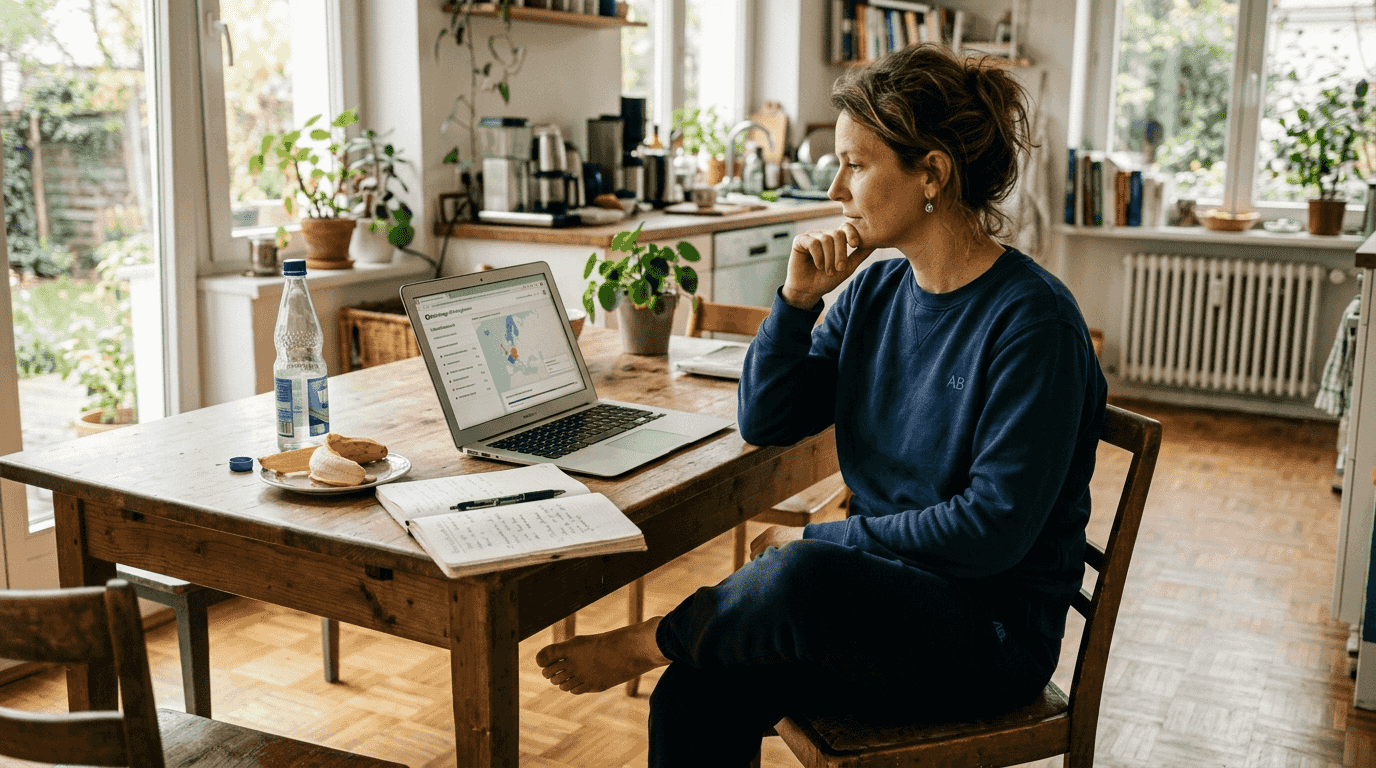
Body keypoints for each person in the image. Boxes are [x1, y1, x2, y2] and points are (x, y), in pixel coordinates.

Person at [536, 43, 1107, 767]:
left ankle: (653, 639)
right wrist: (796, 302)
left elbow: (989, 531)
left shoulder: (1034, 323)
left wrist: (828, 543)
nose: (835, 188)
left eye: (855, 164)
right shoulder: (874, 292)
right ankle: (682, 644)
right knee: (694, 694)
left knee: (800, 574)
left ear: (932, 174)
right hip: (867, 604)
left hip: (985, 633)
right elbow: (768, 419)